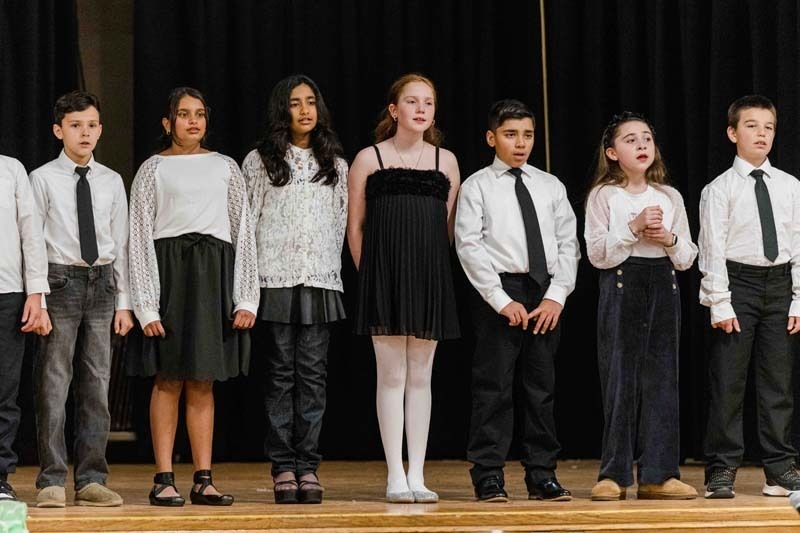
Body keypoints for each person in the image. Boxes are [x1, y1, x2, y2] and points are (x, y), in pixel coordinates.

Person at [128, 87, 259, 507]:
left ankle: (204, 478)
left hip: (212, 277)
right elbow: (138, 237)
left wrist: (246, 298)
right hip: (170, 276)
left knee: (203, 380)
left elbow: (243, 232)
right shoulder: (153, 169)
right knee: (168, 378)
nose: (193, 121)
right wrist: (146, 304)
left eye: (199, 114)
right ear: (168, 123)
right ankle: (163, 477)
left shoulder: (225, 167)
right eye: (184, 114)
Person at [455, 99, 579, 502]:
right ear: (492, 138)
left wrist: (556, 297)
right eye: (510, 134)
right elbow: (468, 245)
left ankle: (542, 473)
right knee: (493, 385)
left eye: (527, 135)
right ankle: (488, 473)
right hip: (499, 290)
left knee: (541, 386)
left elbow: (568, 244)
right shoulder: (477, 186)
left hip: (544, 290)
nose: (521, 143)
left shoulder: (550, 185)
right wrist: (499, 299)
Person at [347, 73, 460, 503]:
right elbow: (355, 227)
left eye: (428, 103)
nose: (421, 109)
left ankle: (418, 474)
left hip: (429, 276)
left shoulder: (446, 161)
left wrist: (433, 274)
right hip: (384, 277)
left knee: (422, 376)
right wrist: (371, 277)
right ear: (394, 110)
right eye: (412, 102)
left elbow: (448, 228)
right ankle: (395, 473)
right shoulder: (369, 158)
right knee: (391, 374)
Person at [242, 75, 348, 504]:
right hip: (275, 279)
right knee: (280, 375)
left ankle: (308, 466)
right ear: (281, 110)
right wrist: (247, 287)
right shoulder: (260, 160)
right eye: (295, 103)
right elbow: (247, 223)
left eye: (310, 102)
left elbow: (340, 224)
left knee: (313, 376)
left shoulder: (335, 163)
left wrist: (328, 268)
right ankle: (283, 465)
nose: (304, 110)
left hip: (320, 281)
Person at [585, 111, 698, 501]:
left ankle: (659, 474)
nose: (642, 145)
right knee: (621, 380)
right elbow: (597, 255)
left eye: (647, 138)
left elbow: (687, 257)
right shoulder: (604, 196)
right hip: (621, 283)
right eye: (631, 140)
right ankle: (614, 473)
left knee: (663, 380)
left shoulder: (669, 196)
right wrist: (632, 229)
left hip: (663, 285)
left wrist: (668, 238)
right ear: (612, 152)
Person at [30, 91, 133, 507]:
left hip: (102, 283)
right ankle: (52, 478)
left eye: (91, 125)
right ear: (59, 130)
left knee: (97, 384)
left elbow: (120, 243)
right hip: (60, 281)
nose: (84, 133)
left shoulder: (111, 180)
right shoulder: (42, 179)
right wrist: (38, 297)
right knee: (54, 383)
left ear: (101, 129)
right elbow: (34, 242)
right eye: (75, 125)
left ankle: (91, 477)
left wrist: (124, 301)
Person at [699, 95, 800, 499]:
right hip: (737, 284)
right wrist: (719, 301)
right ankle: (721, 468)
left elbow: (798, 243)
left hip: (780, 284)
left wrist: (798, 298)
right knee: (729, 381)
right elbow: (711, 248)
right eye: (752, 126)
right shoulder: (719, 189)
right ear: (732, 133)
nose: (762, 134)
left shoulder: (790, 186)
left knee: (778, 383)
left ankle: (779, 468)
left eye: (769, 127)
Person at [0, 154, 50, 501]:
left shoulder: (11, 168)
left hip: (7, 292)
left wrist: (36, 292)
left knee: (4, 391)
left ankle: (0, 475)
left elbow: (30, 232)